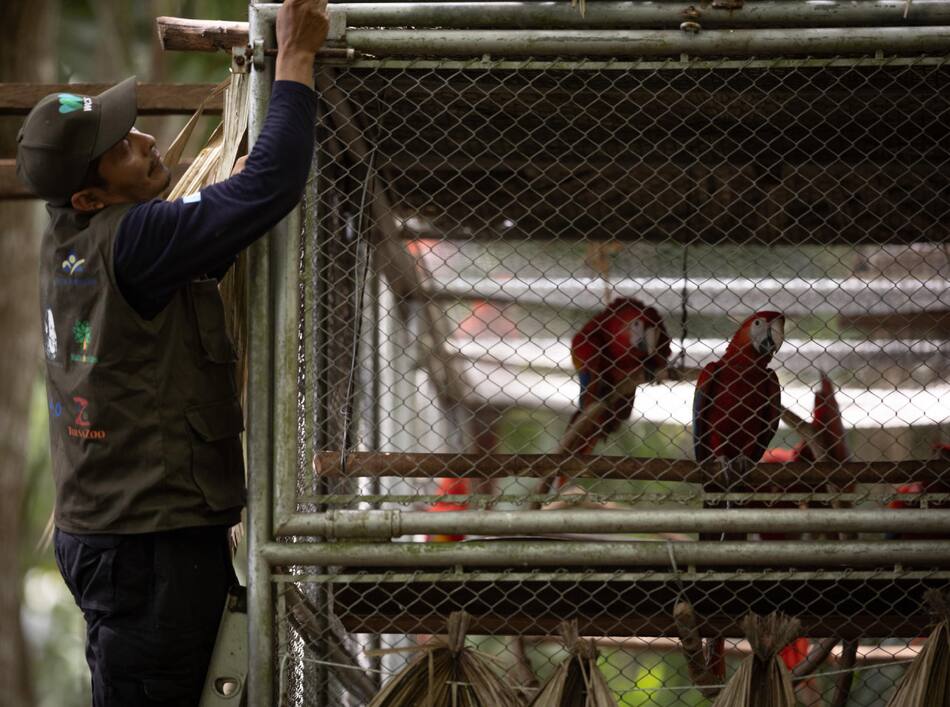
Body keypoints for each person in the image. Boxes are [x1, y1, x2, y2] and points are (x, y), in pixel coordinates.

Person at [15, 1, 329, 704]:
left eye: (128, 127)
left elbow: (187, 261)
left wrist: (222, 207)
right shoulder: (135, 237)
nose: (145, 140)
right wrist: (297, 57)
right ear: (90, 196)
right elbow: (273, 186)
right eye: (121, 148)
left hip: (119, 538)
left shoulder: (70, 238)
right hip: (149, 547)